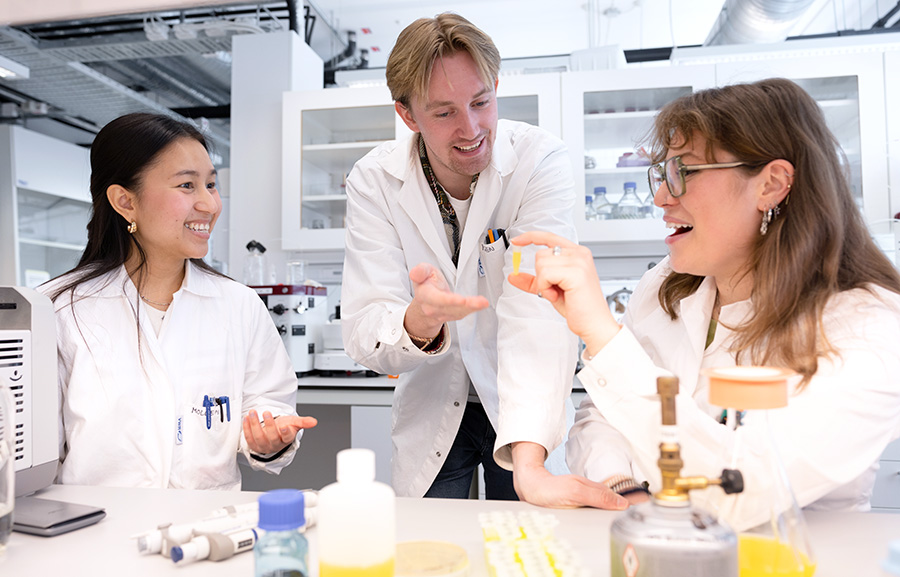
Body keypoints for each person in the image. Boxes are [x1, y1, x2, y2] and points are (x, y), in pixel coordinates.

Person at [509, 78, 900, 529]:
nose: (660, 197)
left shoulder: (868, 327)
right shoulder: (668, 285)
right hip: (658, 545)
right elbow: (601, 416)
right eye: (662, 173)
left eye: (684, 172)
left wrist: (602, 334)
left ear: (771, 185)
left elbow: (738, 494)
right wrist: (624, 489)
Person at [341, 13, 624, 508]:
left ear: (496, 86)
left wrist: (532, 460)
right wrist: (418, 321)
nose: (471, 128)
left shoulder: (538, 163)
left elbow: (540, 306)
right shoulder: (373, 182)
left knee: (525, 547)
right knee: (427, 550)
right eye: (444, 112)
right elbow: (366, 325)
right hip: (432, 402)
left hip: (520, 398)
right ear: (408, 116)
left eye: (481, 102)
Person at [40, 112, 317, 490]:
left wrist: (269, 437)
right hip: (94, 529)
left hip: (204, 533)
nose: (210, 204)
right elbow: (31, 454)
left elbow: (268, 403)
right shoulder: (58, 310)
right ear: (125, 201)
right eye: (187, 185)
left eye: (211, 185)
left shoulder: (238, 304)